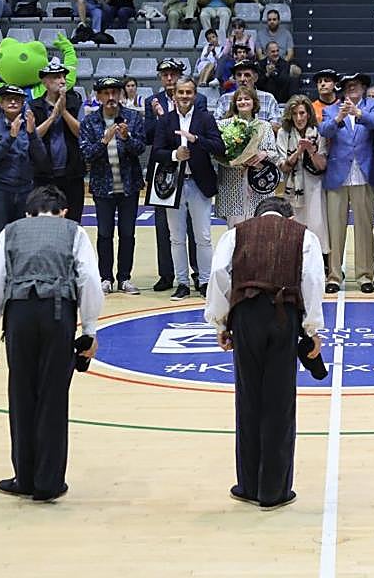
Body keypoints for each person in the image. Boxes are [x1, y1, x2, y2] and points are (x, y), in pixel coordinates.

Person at [0, 184, 102, 503]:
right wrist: (89, 328)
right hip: (58, 315)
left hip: (18, 315)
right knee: (53, 396)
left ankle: (24, 476)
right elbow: (88, 279)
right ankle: (48, 481)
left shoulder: (11, 231)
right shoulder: (74, 232)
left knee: (21, 395)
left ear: (27, 212)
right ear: (64, 211)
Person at [205, 196, 324, 510]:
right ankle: (274, 491)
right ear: (287, 216)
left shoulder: (236, 233)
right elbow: (311, 280)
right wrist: (312, 329)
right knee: (279, 403)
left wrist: (221, 322)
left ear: (257, 214)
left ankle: (247, 485)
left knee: (249, 399)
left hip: (246, 316)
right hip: (284, 316)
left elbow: (219, 273)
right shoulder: (303, 236)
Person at [151, 76, 225, 300]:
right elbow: (156, 152)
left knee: (203, 237)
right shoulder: (165, 121)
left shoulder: (205, 119)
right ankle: (182, 282)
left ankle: (204, 281)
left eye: (188, 92)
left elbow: (219, 146)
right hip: (173, 185)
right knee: (176, 237)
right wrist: (175, 155)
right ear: (174, 95)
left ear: (195, 95)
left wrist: (195, 139)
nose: (184, 96)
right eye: (180, 92)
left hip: (199, 184)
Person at [79, 77, 145, 294]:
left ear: (121, 95)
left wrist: (126, 138)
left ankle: (124, 278)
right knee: (104, 233)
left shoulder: (133, 118)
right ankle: (105, 278)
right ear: (98, 97)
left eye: (114, 93)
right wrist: (103, 141)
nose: (110, 98)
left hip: (129, 187)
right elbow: (87, 154)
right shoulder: (90, 123)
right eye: (105, 94)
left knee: (128, 233)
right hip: (102, 187)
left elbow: (141, 149)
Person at [319, 73, 374, 293]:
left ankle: (365, 275)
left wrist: (358, 113)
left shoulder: (373, 105)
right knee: (335, 230)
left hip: (364, 174)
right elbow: (324, 130)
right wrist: (339, 118)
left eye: (355, 85)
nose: (351, 89)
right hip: (338, 175)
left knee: (365, 228)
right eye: (347, 86)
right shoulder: (331, 109)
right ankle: (334, 276)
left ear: (364, 88)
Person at [0, 85, 47, 242]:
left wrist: (32, 135)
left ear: (23, 103)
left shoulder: (28, 126)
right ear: (0, 103)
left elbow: (41, 158)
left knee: (24, 237)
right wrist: (10, 137)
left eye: (17, 99)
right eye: (8, 99)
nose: (12, 102)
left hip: (25, 190)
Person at [215, 87, 282, 228]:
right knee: (235, 231)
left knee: (260, 228)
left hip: (259, 183)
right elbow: (217, 154)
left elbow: (275, 154)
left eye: (247, 99)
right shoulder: (223, 126)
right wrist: (235, 160)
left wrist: (264, 154)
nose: (243, 102)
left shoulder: (265, 126)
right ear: (234, 103)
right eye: (239, 99)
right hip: (232, 183)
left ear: (254, 102)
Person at [30, 59, 84, 221]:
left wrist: (64, 111)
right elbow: (32, 137)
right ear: (45, 82)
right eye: (55, 77)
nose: (61, 81)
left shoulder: (75, 102)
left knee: (73, 221)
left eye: (62, 77)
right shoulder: (34, 106)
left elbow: (81, 133)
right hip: (44, 175)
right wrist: (52, 117)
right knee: (44, 220)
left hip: (72, 174)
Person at [277, 95, 329, 259]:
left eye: (302, 113)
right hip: (292, 188)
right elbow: (284, 166)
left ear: (309, 114)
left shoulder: (319, 132)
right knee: (295, 227)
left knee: (317, 226)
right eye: (295, 114)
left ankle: (320, 265)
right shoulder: (283, 133)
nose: (299, 118)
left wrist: (311, 150)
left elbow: (322, 166)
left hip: (315, 185)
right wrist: (299, 152)